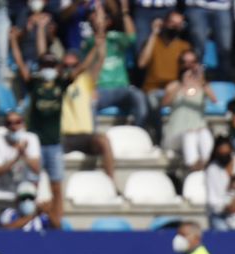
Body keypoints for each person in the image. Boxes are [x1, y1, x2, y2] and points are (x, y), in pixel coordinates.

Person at [9, 49, 72, 212]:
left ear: (57, 67)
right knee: (30, 186)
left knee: (56, 186)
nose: (48, 68)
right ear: (40, 66)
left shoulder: (60, 84)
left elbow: (81, 70)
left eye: (51, 65)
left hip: (54, 144)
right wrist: (14, 43)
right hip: (35, 144)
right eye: (45, 65)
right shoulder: (34, 83)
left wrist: (98, 43)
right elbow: (21, 66)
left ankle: (56, 221)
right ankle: (29, 219)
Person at [61, 43, 118, 185]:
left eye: (74, 66)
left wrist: (99, 43)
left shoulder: (85, 80)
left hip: (86, 136)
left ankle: (111, 184)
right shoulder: (58, 83)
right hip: (63, 136)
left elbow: (99, 61)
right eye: (66, 66)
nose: (70, 69)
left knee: (103, 140)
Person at [85, 3, 148, 127]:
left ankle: (140, 131)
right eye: (96, 17)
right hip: (100, 89)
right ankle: (92, 138)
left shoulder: (117, 37)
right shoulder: (90, 42)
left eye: (103, 18)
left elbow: (132, 37)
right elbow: (98, 40)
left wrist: (124, 11)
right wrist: (100, 25)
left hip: (121, 88)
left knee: (138, 95)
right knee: (88, 102)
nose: (99, 20)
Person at [138, 10, 192, 142]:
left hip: (173, 89)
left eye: (178, 24)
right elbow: (142, 63)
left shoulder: (183, 46)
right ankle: (159, 138)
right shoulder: (153, 41)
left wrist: (177, 86)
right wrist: (153, 33)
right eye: (172, 23)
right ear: (165, 23)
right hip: (151, 90)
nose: (175, 26)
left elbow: (190, 71)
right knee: (152, 100)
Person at [162, 50, 217, 171]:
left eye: (192, 62)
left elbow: (215, 101)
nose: (188, 66)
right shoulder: (174, 85)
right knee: (190, 134)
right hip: (175, 135)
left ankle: (209, 166)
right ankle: (193, 167)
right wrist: (182, 84)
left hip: (198, 132)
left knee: (203, 132)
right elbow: (164, 103)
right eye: (184, 62)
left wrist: (201, 81)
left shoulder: (203, 86)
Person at [0, 112, 42, 227]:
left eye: (17, 122)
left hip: (20, 197)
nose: (13, 126)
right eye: (9, 123)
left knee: (20, 236)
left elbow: (36, 169)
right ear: (5, 126)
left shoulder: (31, 139)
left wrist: (24, 154)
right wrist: (15, 158)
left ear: (23, 123)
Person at [184, 0, 234, 80]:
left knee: (225, 48)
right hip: (197, 5)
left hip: (223, 6)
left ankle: (224, 81)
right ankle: (196, 79)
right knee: (198, 48)